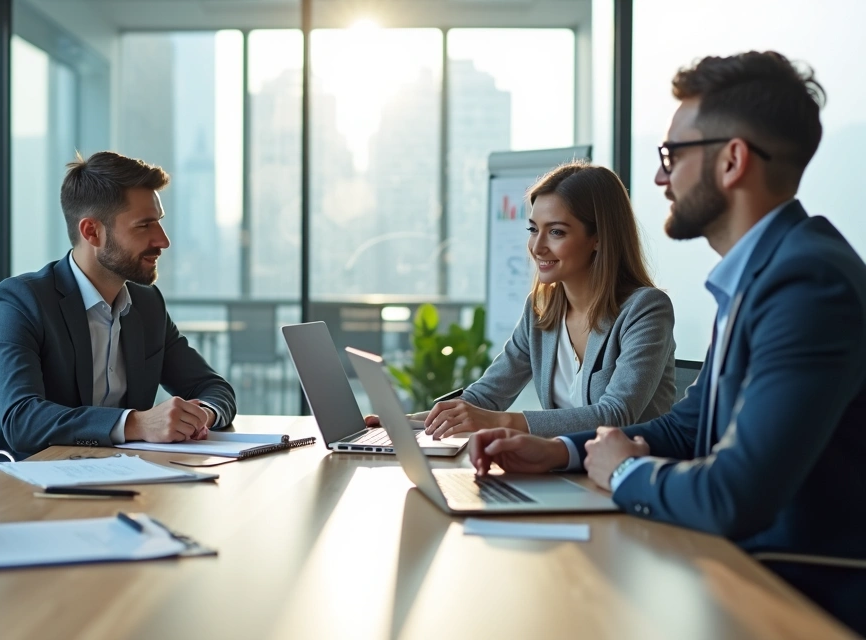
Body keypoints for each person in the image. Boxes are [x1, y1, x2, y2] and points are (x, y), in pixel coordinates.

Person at [467, 51, 866, 634]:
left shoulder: (807, 284)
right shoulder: (764, 276)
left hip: (798, 599)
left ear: (732, 161)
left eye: (671, 156)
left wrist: (625, 473)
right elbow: (689, 428)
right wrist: (566, 452)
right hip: (740, 575)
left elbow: (736, 493)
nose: (659, 178)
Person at [0, 151, 237, 487]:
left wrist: (200, 415)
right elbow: (23, 421)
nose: (163, 241)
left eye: (160, 221)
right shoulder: (21, 301)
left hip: (114, 484)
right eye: (144, 225)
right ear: (92, 232)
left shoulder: (147, 304)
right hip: (11, 492)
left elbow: (214, 388)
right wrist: (135, 424)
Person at [371, 162, 676, 439]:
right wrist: (404, 421)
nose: (537, 247)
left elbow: (615, 416)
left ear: (598, 238)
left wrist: (498, 422)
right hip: (563, 471)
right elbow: (485, 398)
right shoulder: (541, 310)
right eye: (533, 230)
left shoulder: (645, 309)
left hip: (626, 482)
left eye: (556, 232)